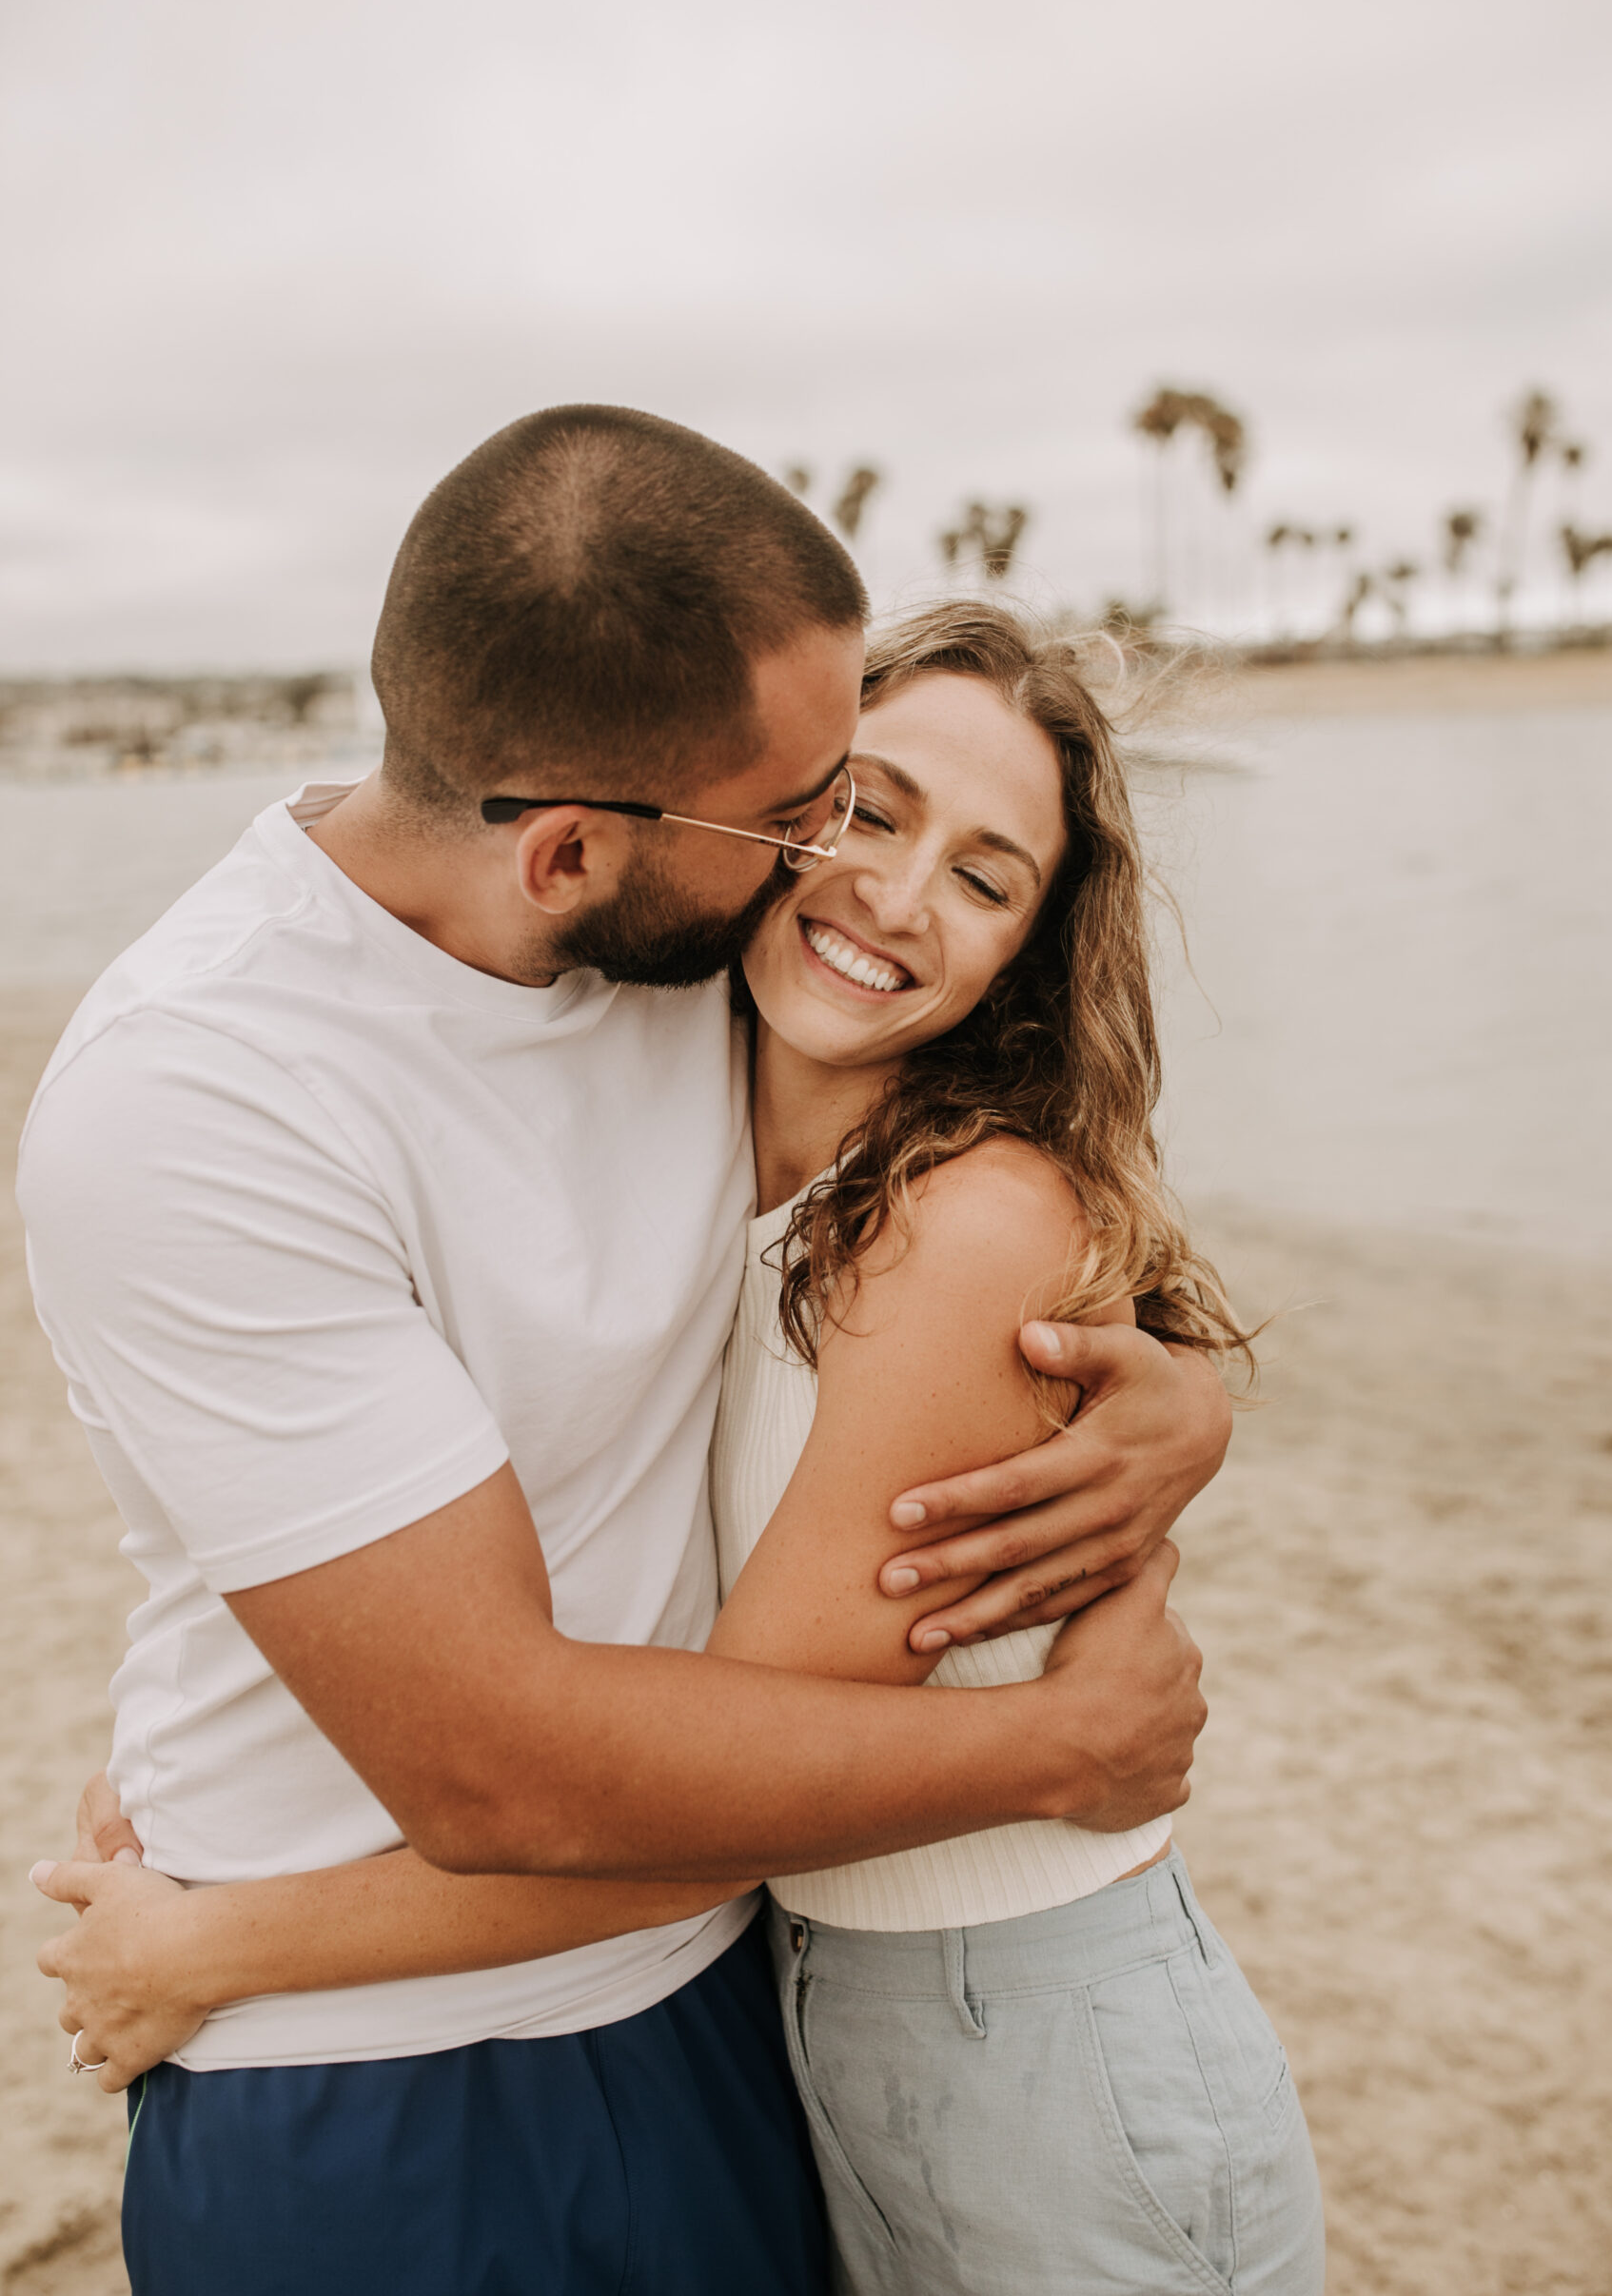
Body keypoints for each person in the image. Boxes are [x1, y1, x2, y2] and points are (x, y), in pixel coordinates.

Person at [20, 410, 1227, 2296]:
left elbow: (973, 1195)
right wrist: (1048, 1741)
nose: (846, 867)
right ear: (574, 846)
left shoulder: (685, 944)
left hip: (718, 2001)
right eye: (819, 805)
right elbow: (506, 1765)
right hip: (373, 2089)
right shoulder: (199, 1095)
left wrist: (1178, 1393)